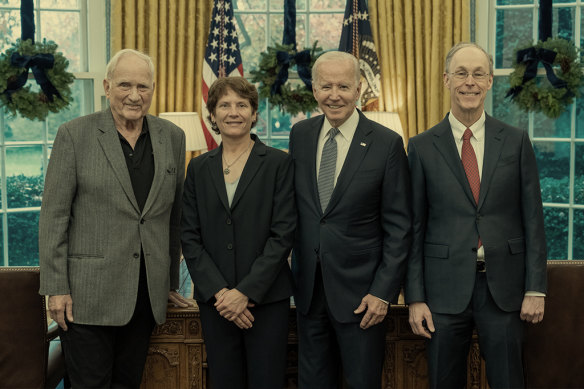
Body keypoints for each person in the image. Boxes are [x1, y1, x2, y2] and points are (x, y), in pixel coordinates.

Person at [39, 49, 193, 388]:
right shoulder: (74, 135)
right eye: (125, 85)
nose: (134, 95)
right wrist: (56, 288)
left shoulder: (172, 137)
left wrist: (167, 282)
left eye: (143, 86)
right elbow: (54, 216)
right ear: (107, 87)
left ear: (153, 89)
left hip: (144, 298)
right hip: (85, 297)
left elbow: (173, 216)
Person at [405, 42, 547, 389]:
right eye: (461, 73)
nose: (470, 82)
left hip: (504, 289)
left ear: (489, 82)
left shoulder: (516, 141)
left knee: (509, 381)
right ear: (446, 80)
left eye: (478, 74)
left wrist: (536, 289)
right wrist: (415, 297)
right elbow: (414, 226)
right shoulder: (421, 146)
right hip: (442, 291)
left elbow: (533, 219)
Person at [289, 51, 412, 389]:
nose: (334, 95)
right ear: (314, 90)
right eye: (326, 86)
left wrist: (383, 292)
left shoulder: (386, 144)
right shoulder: (300, 135)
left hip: (363, 300)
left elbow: (400, 228)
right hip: (309, 294)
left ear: (359, 89)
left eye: (343, 85)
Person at [181, 77, 295, 389]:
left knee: (267, 381)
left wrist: (244, 293)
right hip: (215, 303)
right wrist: (222, 294)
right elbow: (189, 236)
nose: (234, 112)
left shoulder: (278, 164)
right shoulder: (199, 168)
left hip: (266, 301)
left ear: (254, 114)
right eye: (225, 105)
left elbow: (282, 235)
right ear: (213, 115)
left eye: (242, 105)